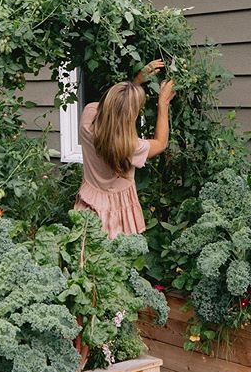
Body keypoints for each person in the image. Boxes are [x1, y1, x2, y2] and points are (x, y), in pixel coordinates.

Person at [74, 59, 175, 239]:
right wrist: (163, 104)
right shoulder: (130, 147)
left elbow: (114, 108)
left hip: (91, 204)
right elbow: (161, 143)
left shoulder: (88, 117)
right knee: (119, 258)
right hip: (118, 212)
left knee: (88, 254)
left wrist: (136, 82)